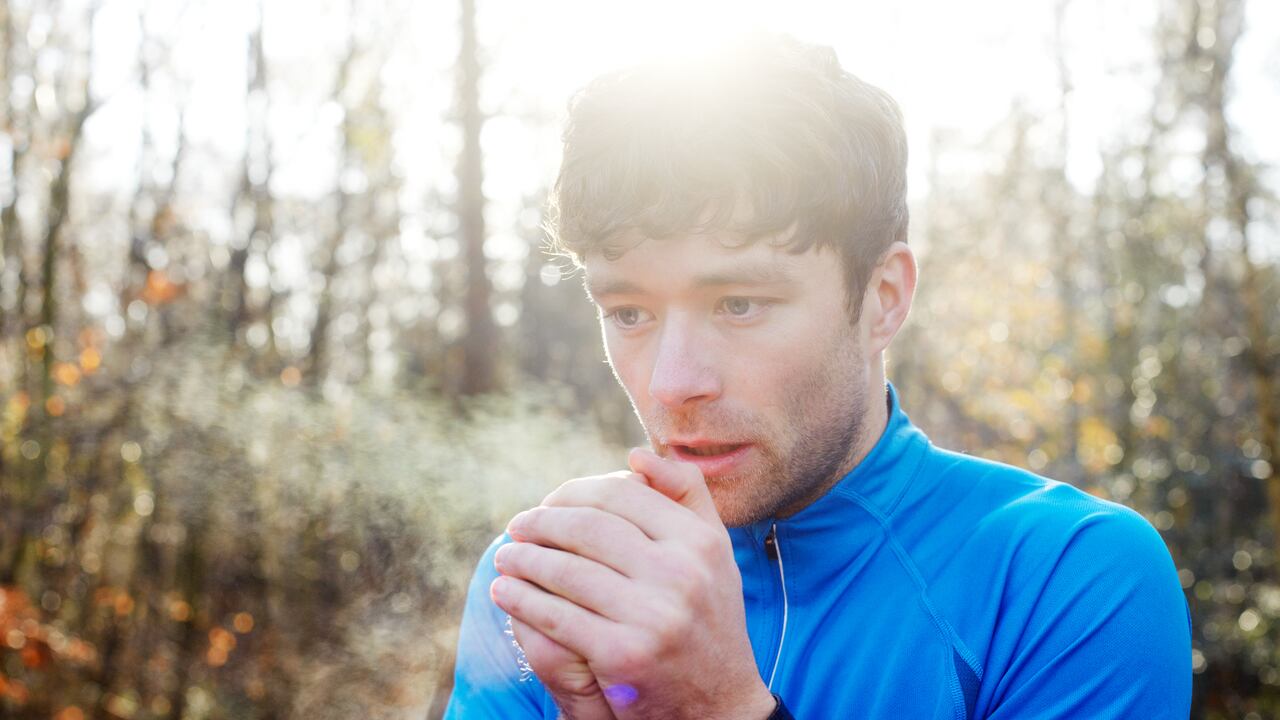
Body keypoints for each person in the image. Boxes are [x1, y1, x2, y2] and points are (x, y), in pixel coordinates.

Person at [443, 32, 1191, 719]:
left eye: (739, 304)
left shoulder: (1067, 577)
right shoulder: (554, 582)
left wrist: (720, 709)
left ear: (883, 299)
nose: (673, 383)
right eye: (630, 312)